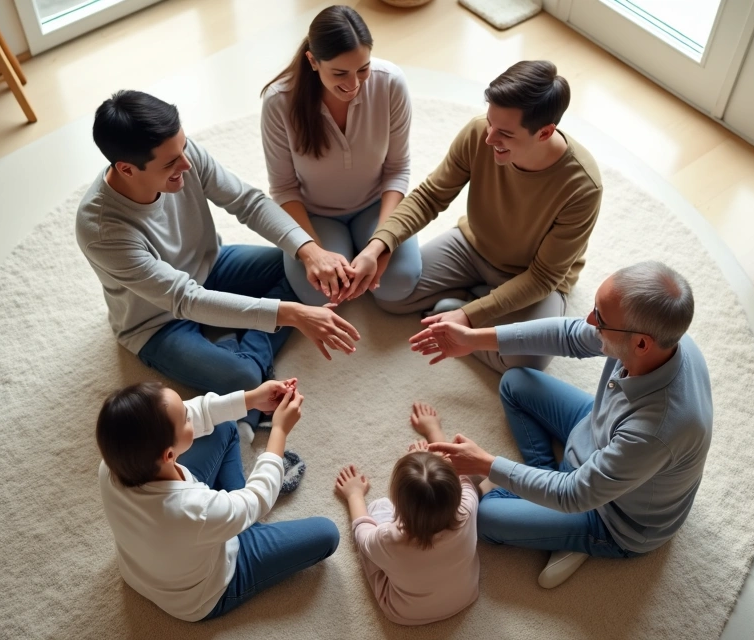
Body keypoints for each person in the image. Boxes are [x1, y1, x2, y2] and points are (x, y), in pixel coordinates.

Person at [76, 90, 361, 442]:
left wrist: (309, 250)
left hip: (214, 266)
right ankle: (240, 352)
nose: (187, 164)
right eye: (171, 162)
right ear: (126, 169)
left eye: (183, 148)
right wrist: (292, 314)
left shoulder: (180, 154)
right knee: (245, 379)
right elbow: (185, 300)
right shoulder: (101, 230)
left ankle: (236, 339)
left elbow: (247, 201)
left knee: (301, 271)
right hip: (158, 321)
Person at [411, 261, 712, 588]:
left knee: (485, 517)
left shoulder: (655, 431)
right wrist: (472, 338)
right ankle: (545, 481)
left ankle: (577, 537)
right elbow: (568, 334)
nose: (590, 320)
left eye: (600, 319)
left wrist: (486, 464)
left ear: (641, 344)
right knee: (514, 382)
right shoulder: (661, 339)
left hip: (613, 515)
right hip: (598, 428)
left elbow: (574, 493)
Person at [349, 60, 603, 373]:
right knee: (388, 292)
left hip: (533, 276)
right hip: (472, 247)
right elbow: (430, 196)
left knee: (527, 361)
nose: (489, 138)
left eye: (505, 133)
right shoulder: (478, 133)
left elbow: (543, 277)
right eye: (490, 122)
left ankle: (462, 309)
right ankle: (473, 304)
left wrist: (469, 316)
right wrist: (379, 245)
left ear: (544, 133)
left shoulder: (582, 186)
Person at [96, 379, 339, 621]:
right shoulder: (195, 511)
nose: (190, 412)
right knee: (327, 534)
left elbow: (198, 410)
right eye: (186, 418)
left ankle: (235, 516)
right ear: (169, 455)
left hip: (153, 561)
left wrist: (253, 398)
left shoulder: (112, 465)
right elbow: (258, 497)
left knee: (222, 424)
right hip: (205, 592)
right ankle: (240, 521)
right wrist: (279, 431)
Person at [261, 5, 420, 306]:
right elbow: (283, 188)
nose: (353, 85)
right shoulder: (279, 102)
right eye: (339, 73)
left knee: (399, 283)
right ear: (313, 61)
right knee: (317, 294)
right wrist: (314, 252)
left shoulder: (390, 83)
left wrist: (381, 242)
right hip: (314, 214)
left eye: (363, 69)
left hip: (376, 205)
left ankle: (363, 245)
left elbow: (398, 169)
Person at [333, 402, 479, 625]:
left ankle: (366, 499)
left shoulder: (389, 540)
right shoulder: (468, 505)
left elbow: (362, 533)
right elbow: (459, 472)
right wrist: (433, 434)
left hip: (405, 614)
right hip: (466, 595)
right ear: (456, 495)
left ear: (399, 506)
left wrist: (354, 495)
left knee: (377, 508)